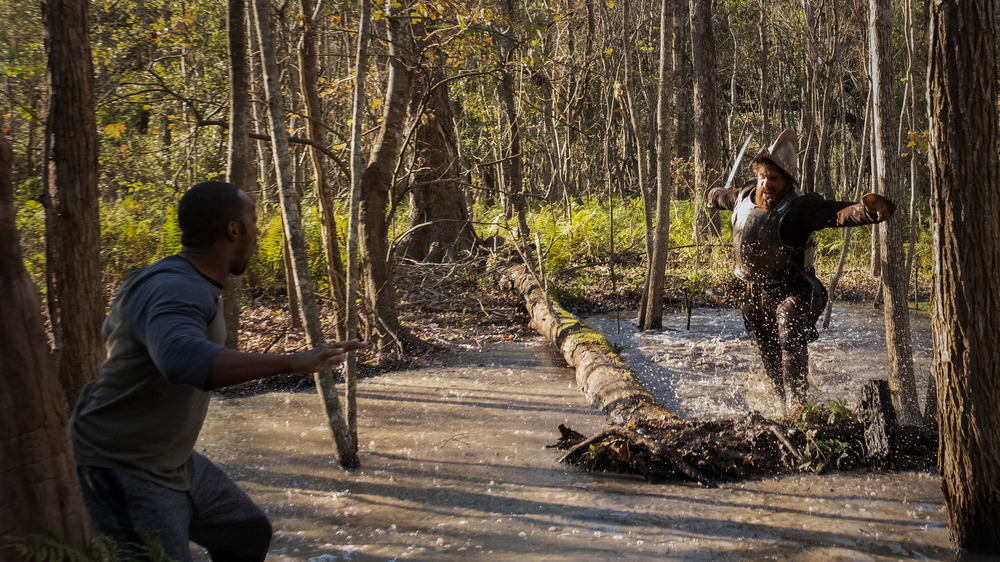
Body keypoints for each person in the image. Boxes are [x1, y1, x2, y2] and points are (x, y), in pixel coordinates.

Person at [70, 181, 366, 561]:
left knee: (245, 534)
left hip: (172, 459)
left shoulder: (172, 279)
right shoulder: (177, 287)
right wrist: (292, 361)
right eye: (254, 220)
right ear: (233, 230)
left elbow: (115, 332)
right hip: (123, 466)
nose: (257, 230)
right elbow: (183, 361)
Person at [706, 130, 895, 413]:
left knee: (788, 320)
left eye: (774, 179)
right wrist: (712, 194)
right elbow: (723, 197)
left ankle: (798, 409)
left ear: (787, 181)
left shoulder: (800, 207)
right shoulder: (746, 195)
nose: (766, 183)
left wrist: (868, 210)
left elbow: (837, 213)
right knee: (769, 351)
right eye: (763, 176)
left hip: (794, 290)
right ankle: (781, 404)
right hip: (754, 290)